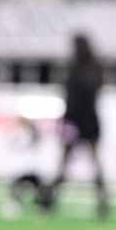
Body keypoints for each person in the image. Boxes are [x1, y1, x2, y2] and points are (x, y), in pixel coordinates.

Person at [47, 32, 108, 217]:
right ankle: (102, 201)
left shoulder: (73, 68)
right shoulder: (94, 68)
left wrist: (65, 121)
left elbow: (71, 98)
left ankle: (49, 200)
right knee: (94, 162)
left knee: (64, 162)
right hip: (90, 120)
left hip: (74, 120)